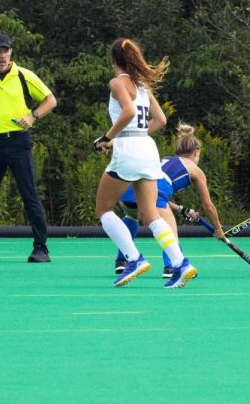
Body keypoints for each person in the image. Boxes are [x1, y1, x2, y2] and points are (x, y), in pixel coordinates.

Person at [94, 37, 196, 288]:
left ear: (112, 61)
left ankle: (133, 258)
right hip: (147, 149)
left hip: (128, 149)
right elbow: (160, 120)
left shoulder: (117, 83)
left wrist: (108, 138)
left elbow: (128, 112)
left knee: (104, 209)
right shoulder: (142, 86)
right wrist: (136, 137)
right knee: (151, 214)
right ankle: (180, 262)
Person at [0, 33, 57, 263]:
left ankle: (41, 249)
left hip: (19, 143)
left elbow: (50, 100)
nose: (2, 56)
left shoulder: (25, 76)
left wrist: (33, 116)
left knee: (29, 195)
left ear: (11, 53)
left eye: (6, 51)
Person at [114, 123, 227, 278]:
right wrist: (218, 229)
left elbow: (159, 197)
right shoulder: (195, 170)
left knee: (132, 216)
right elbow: (208, 206)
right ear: (196, 152)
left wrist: (182, 209)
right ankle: (172, 268)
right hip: (154, 193)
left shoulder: (165, 159)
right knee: (170, 232)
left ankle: (121, 262)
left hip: (128, 190)